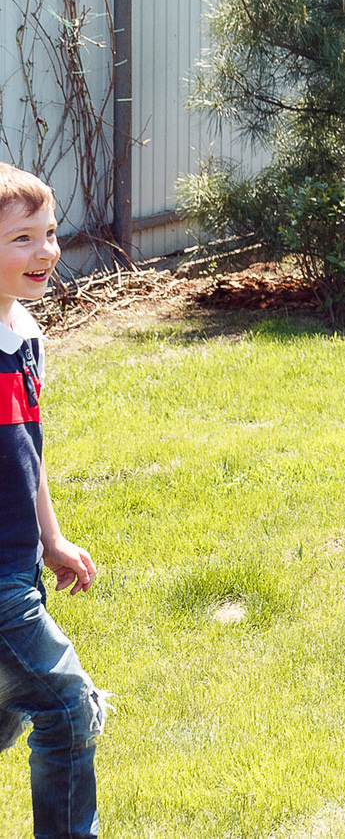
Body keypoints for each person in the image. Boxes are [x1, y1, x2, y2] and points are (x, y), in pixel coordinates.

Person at [0, 166, 103, 839]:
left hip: (19, 564)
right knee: (68, 707)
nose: (46, 251)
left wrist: (52, 538)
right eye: (22, 238)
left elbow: (27, 451)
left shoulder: (25, 334)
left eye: (51, 233)